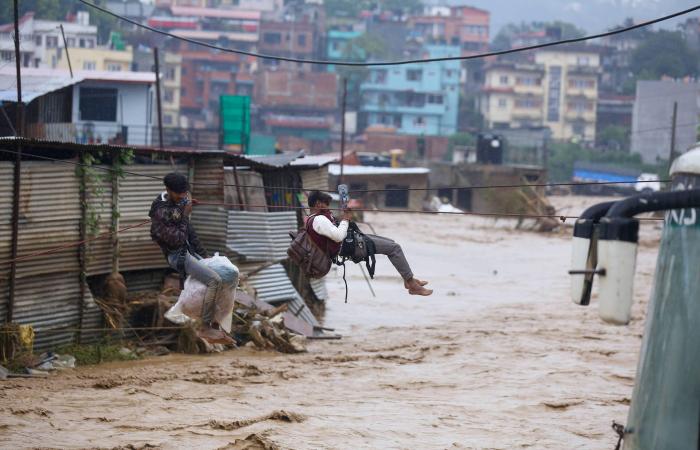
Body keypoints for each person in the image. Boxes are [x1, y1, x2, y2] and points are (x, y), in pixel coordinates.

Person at [149, 172, 237, 345]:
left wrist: (204, 256)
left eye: (184, 192)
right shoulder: (160, 213)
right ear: (168, 190)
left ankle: (215, 325)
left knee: (226, 274)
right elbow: (178, 239)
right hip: (177, 255)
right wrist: (185, 214)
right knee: (214, 280)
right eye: (179, 193)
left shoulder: (179, 199)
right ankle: (205, 327)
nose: (183, 196)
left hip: (190, 252)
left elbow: (191, 233)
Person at [306, 190, 432, 296]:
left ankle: (408, 279)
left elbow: (334, 232)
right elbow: (338, 236)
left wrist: (344, 219)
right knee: (394, 248)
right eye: (326, 204)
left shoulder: (313, 219)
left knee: (391, 243)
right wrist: (345, 219)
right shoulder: (319, 219)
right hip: (353, 246)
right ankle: (411, 284)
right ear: (318, 204)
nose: (328, 207)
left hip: (353, 240)